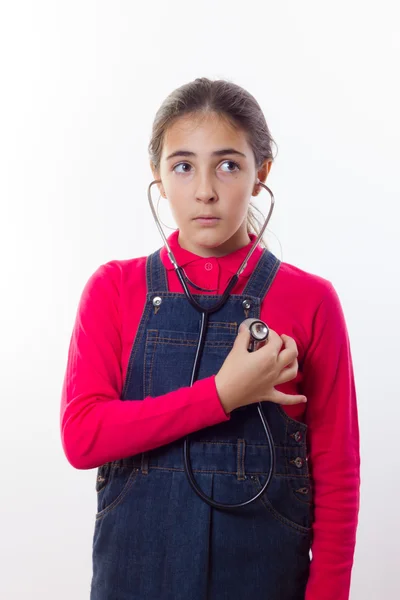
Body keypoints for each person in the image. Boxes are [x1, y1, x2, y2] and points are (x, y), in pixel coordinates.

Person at [60, 77, 360, 600]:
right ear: (157, 175)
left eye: (227, 164)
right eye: (182, 165)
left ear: (260, 173)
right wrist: (222, 394)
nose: (204, 190)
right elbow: (83, 437)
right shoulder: (114, 290)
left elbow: (337, 478)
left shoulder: (311, 302)